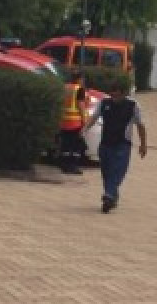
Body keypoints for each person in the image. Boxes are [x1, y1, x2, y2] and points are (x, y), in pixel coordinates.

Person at [82, 81, 148, 212]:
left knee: (117, 171)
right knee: (106, 172)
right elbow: (94, 117)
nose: (114, 98)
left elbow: (140, 125)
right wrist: (84, 129)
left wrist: (143, 144)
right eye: (112, 95)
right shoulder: (104, 103)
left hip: (122, 144)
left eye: (117, 95)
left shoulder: (133, 105)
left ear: (124, 94)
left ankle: (108, 196)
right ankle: (112, 196)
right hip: (105, 143)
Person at [58, 71, 88, 174]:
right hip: (75, 123)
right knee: (75, 146)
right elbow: (81, 106)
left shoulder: (65, 87)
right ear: (79, 79)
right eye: (83, 79)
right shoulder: (79, 89)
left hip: (63, 122)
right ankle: (73, 166)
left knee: (65, 145)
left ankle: (64, 166)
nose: (83, 81)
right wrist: (84, 121)